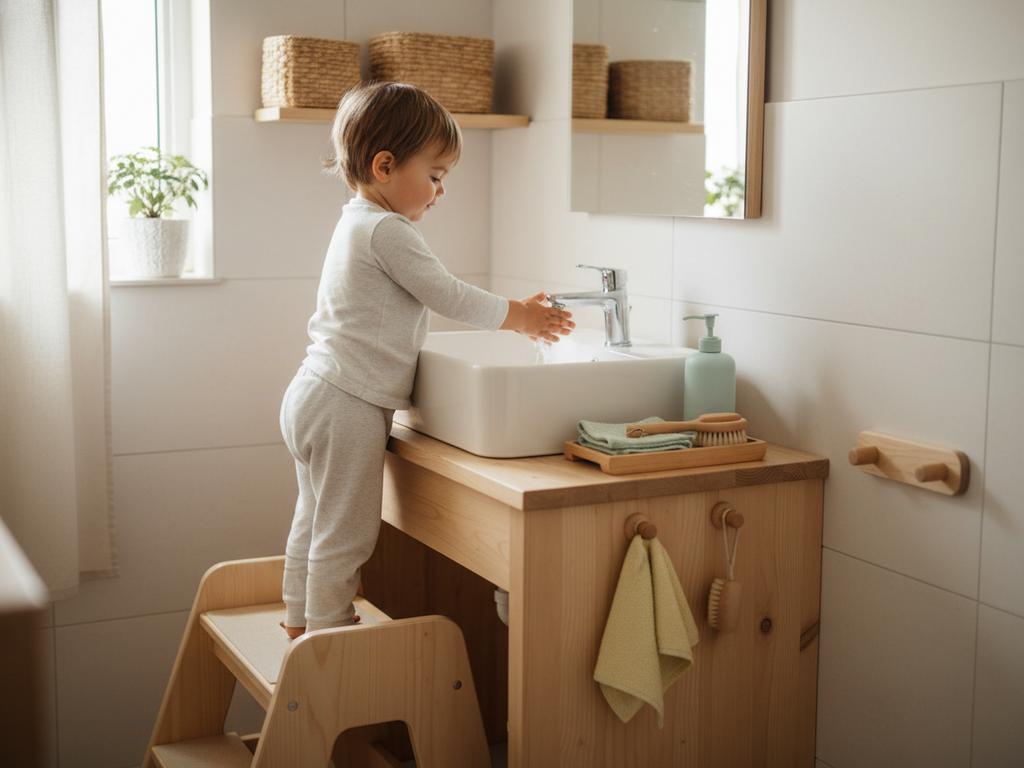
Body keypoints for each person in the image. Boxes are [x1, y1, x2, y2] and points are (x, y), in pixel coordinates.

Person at [278, 81, 575, 638]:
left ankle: (300, 616)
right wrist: (520, 316)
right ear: (385, 166)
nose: (442, 191)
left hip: (315, 391)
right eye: (435, 176)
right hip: (345, 404)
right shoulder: (387, 229)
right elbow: (448, 294)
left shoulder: (355, 221)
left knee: (313, 515)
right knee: (347, 530)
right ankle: (327, 633)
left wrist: (516, 311)